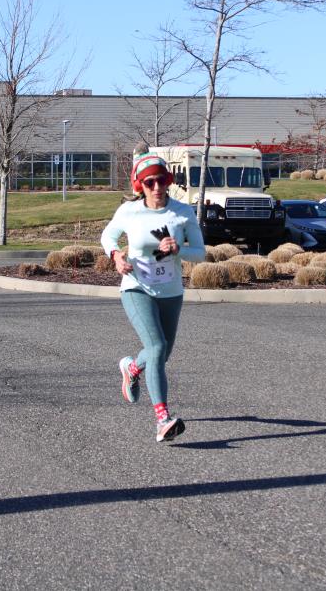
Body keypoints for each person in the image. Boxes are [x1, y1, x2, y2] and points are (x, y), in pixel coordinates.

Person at [100, 150, 206, 442]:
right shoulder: (129, 211)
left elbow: (201, 253)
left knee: (162, 353)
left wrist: (179, 250)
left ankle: (132, 368)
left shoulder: (182, 212)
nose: (157, 187)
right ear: (140, 185)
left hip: (170, 291)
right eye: (150, 182)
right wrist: (116, 255)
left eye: (162, 180)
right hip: (136, 287)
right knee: (157, 347)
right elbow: (108, 236)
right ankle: (163, 419)